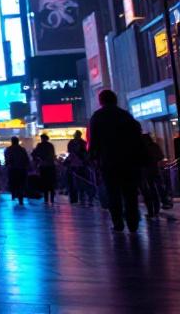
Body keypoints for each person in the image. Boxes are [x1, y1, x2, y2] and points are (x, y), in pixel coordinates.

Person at [88, 89, 143, 232]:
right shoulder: (125, 115)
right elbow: (137, 138)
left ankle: (118, 222)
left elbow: (93, 142)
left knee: (113, 193)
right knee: (130, 192)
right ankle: (132, 222)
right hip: (129, 161)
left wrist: (93, 158)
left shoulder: (98, 117)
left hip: (109, 161)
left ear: (101, 101)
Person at [140, 132, 165, 219]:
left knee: (148, 190)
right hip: (154, 170)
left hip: (145, 172)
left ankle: (152, 210)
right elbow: (161, 156)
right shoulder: (154, 146)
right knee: (155, 188)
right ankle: (157, 208)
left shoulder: (142, 148)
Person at [4, 136, 31, 206]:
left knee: (13, 182)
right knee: (21, 184)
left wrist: (7, 165)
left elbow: (7, 159)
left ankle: (13, 194)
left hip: (12, 169)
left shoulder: (8, 149)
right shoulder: (22, 149)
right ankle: (20, 198)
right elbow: (26, 159)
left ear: (12, 142)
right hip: (21, 169)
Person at [32, 134, 57, 205]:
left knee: (44, 183)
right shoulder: (50, 145)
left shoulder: (40, 145)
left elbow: (34, 154)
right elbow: (52, 155)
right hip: (51, 166)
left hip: (43, 166)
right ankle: (52, 199)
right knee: (51, 183)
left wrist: (38, 161)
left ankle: (46, 199)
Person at [65, 130, 88, 205]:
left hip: (77, 165)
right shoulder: (80, 142)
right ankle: (77, 199)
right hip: (77, 165)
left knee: (77, 182)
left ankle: (77, 199)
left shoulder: (78, 143)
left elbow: (83, 153)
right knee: (76, 182)